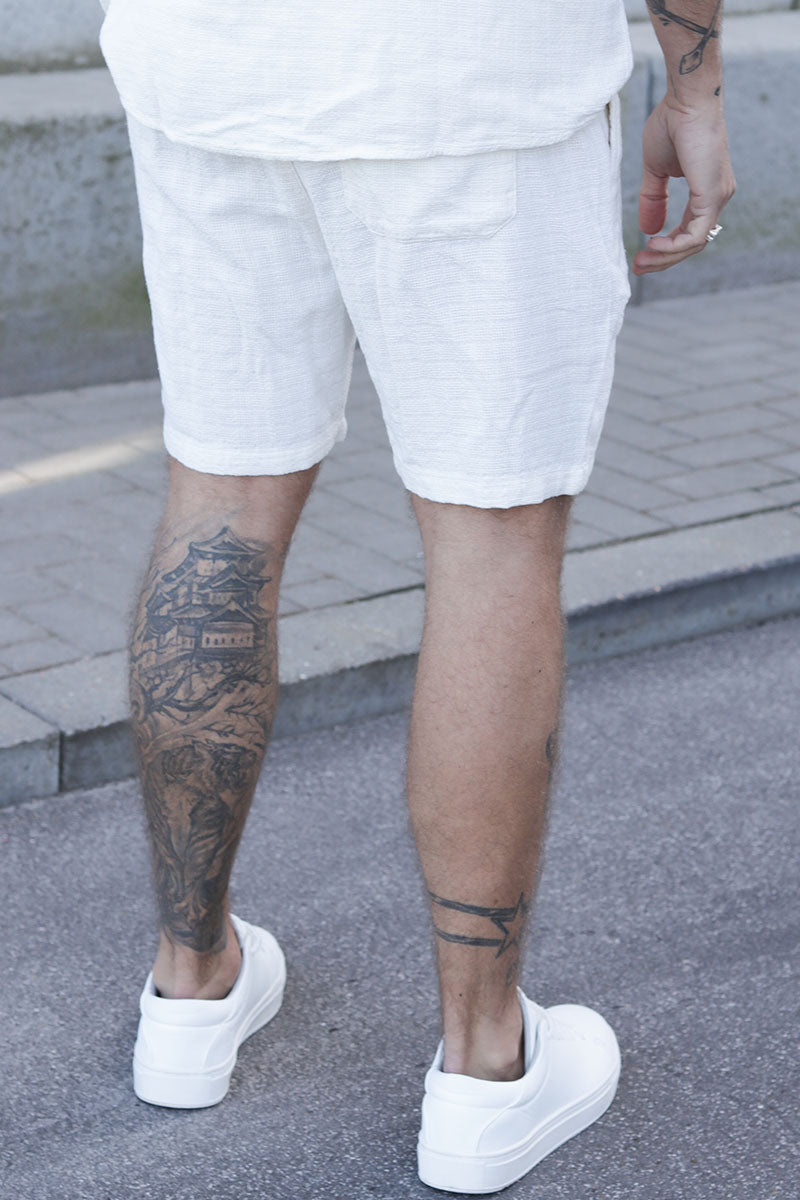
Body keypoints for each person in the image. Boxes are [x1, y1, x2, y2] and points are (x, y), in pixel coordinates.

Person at [97, 0, 734, 1192]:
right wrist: (692, 83)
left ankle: (188, 987)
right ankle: (483, 1067)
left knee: (221, 508)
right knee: (490, 542)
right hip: (474, 79)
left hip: (213, 67)